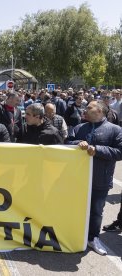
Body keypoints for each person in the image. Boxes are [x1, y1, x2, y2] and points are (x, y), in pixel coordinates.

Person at [66, 100, 122, 255]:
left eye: (89, 107)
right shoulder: (79, 128)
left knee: (96, 212)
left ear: (99, 111)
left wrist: (97, 150)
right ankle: (73, 236)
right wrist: (78, 143)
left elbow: (119, 152)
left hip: (100, 180)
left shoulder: (115, 130)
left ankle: (93, 238)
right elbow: (66, 143)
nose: (85, 109)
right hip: (76, 179)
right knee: (74, 208)